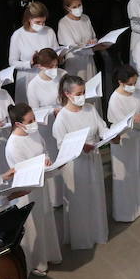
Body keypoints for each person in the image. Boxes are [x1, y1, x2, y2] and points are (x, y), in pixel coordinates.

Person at [52, 75, 109, 249]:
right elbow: (61, 145)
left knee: (95, 195)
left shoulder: (90, 108)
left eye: (83, 92)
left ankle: (97, 232)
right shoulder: (62, 117)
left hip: (93, 158)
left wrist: (112, 134)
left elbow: (102, 128)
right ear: (67, 94)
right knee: (79, 200)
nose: (82, 96)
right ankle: (82, 237)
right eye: (78, 93)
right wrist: (81, 147)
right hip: (75, 165)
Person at [3, 104, 61, 274]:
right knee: (33, 227)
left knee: (45, 220)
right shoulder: (13, 145)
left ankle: (49, 255)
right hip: (27, 192)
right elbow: (22, 172)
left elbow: (44, 151)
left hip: (41, 186)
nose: (34, 122)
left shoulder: (34, 133)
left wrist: (47, 160)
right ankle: (37, 262)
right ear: (18, 124)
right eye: (30, 121)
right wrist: (41, 167)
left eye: (34, 118)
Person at [106, 66, 140, 222]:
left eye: (135, 83)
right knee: (125, 175)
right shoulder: (115, 99)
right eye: (130, 84)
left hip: (137, 139)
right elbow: (119, 124)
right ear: (120, 82)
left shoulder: (137, 93)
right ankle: (125, 212)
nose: (133, 86)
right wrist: (134, 120)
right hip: (124, 142)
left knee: (139, 170)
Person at [8, 1, 60, 103]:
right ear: (29, 19)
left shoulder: (49, 31)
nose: (41, 25)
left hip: (48, 76)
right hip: (28, 77)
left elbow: (56, 51)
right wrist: (29, 63)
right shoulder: (18, 35)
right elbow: (12, 62)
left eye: (43, 22)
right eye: (38, 22)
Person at [55, 0, 99, 83]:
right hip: (75, 63)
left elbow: (93, 36)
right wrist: (88, 46)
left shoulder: (86, 18)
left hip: (89, 60)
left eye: (79, 5)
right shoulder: (63, 23)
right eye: (74, 7)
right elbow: (71, 47)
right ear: (67, 8)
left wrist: (93, 41)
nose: (78, 8)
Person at [25, 47, 67, 111]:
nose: (54, 69)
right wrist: (53, 112)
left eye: (56, 65)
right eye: (50, 67)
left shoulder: (63, 74)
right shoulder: (33, 85)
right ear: (40, 66)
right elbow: (35, 111)